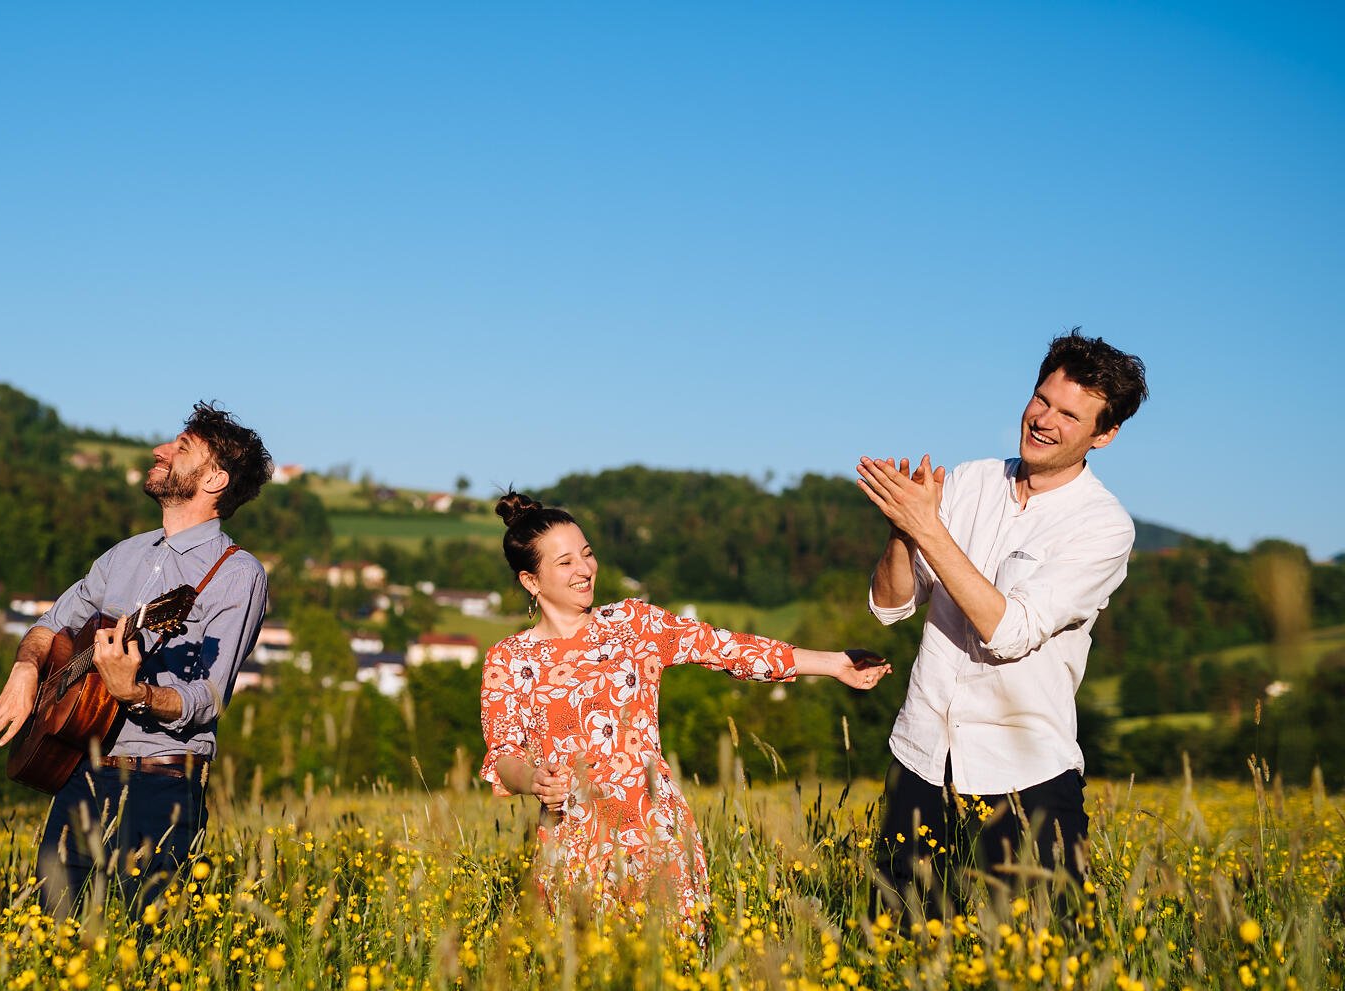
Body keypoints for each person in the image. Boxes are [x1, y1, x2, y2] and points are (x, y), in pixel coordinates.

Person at [479, 491, 890, 923]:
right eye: (565, 563)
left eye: (587, 554)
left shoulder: (634, 624)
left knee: (679, 970)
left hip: (657, 833)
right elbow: (504, 756)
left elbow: (728, 649)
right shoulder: (507, 659)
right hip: (570, 841)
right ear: (532, 581)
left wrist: (834, 664)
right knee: (582, 979)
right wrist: (534, 780)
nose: (584, 570)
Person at [856, 330, 1147, 915]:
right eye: (1042, 400)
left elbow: (1010, 632)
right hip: (922, 751)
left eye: (1070, 414)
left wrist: (930, 530)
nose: (1045, 420)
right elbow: (889, 606)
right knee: (897, 945)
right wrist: (901, 529)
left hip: (1024, 767)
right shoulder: (970, 481)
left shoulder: (1103, 526)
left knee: (1049, 957)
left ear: (1105, 435)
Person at [0, 403, 272, 917]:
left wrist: (133, 693)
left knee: (154, 951)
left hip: (163, 785)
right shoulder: (124, 554)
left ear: (215, 479)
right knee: (50, 938)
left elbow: (207, 698)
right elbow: (49, 625)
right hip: (80, 774)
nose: (159, 451)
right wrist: (26, 669)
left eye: (181, 450)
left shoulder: (237, 573)